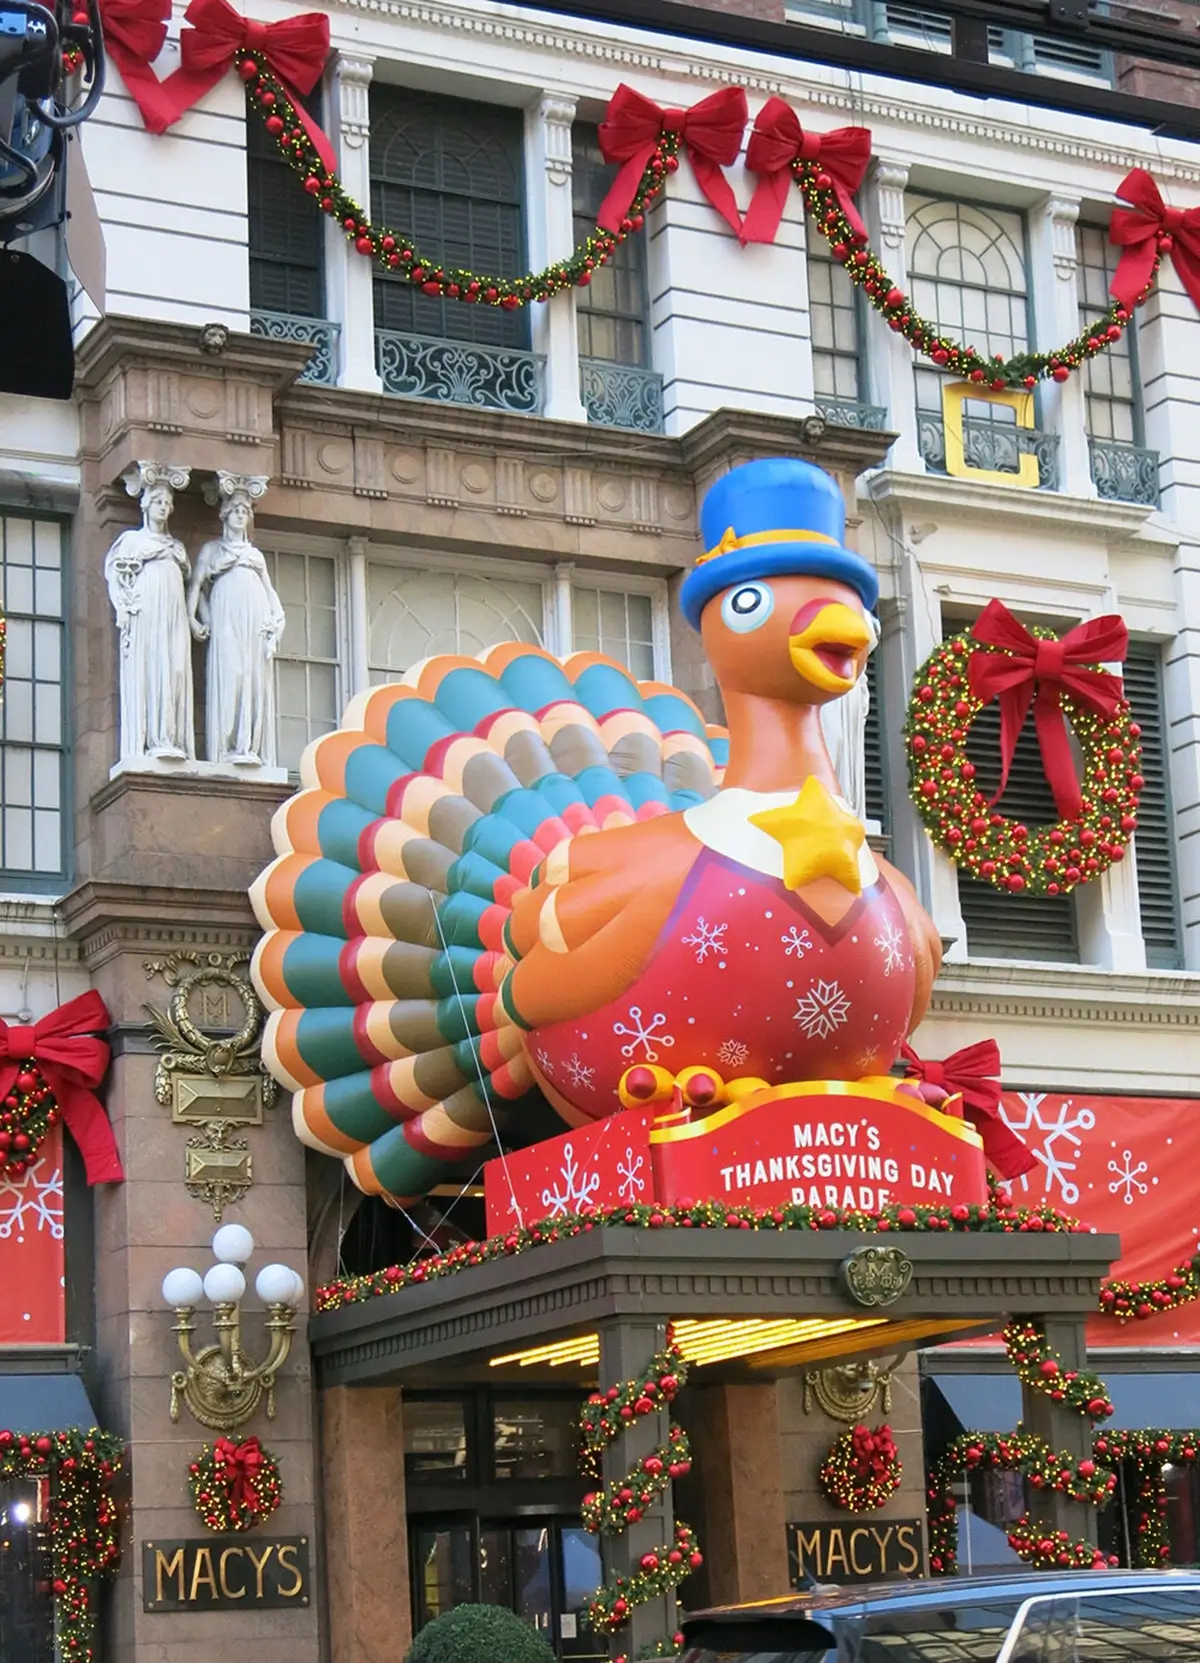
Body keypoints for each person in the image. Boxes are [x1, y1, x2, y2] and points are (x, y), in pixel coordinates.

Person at [187, 488, 285, 767]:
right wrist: (193, 618)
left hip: (254, 617)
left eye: (245, 512)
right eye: (236, 512)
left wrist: (277, 618)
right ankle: (227, 745)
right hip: (225, 616)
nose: (241, 516)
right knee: (232, 674)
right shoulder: (212, 550)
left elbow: (269, 591)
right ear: (225, 516)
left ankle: (246, 745)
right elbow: (195, 585)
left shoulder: (255, 556)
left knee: (252, 677)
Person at [104, 474, 194, 763]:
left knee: (175, 668)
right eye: (157, 502)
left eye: (167, 503)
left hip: (174, 614)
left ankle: (172, 736)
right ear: (145, 505)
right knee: (153, 668)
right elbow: (115, 578)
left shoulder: (177, 548)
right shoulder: (131, 541)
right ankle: (155, 738)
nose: (163, 507)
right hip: (147, 613)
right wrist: (122, 606)